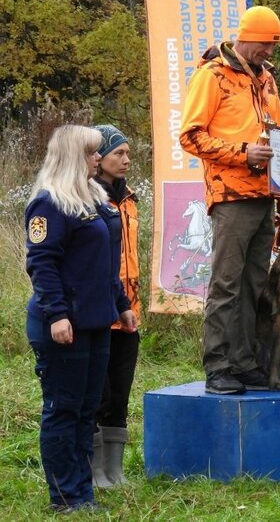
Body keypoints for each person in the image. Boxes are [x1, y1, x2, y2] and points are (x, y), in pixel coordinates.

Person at [180, 5, 280, 395]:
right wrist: (242, 154)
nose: (268, 54)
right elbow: (190, 136)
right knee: (226, 284)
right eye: (264, 45)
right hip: (230, 195)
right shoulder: (212, 75)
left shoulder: (267, 80)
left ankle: (245, 364)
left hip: (266, 197)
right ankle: (218, 366)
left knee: (255, 286)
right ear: (245, 37)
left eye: (272, 47)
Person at [25, 125, 138, 513]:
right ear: (75, 156)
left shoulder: (95, 197)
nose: (97, 158)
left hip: (97, 320)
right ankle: (64, 496)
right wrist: (56, 314)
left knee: (87, 410)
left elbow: (106, 263)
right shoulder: (49, 203)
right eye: (92, 153)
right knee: (64, 408)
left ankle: (83, 492)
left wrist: (122, 303)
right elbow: (42, 264)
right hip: (62, 326)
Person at [89, 125, 140, 487]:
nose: (126, 160)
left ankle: (115, 469)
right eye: (118, 154)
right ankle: (93, 469)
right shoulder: (87, 198)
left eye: (127, 153)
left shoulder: (130, 197)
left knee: (120, 392)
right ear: (98, 158)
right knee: (97, 391)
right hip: (97, 311)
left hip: (128, 309)